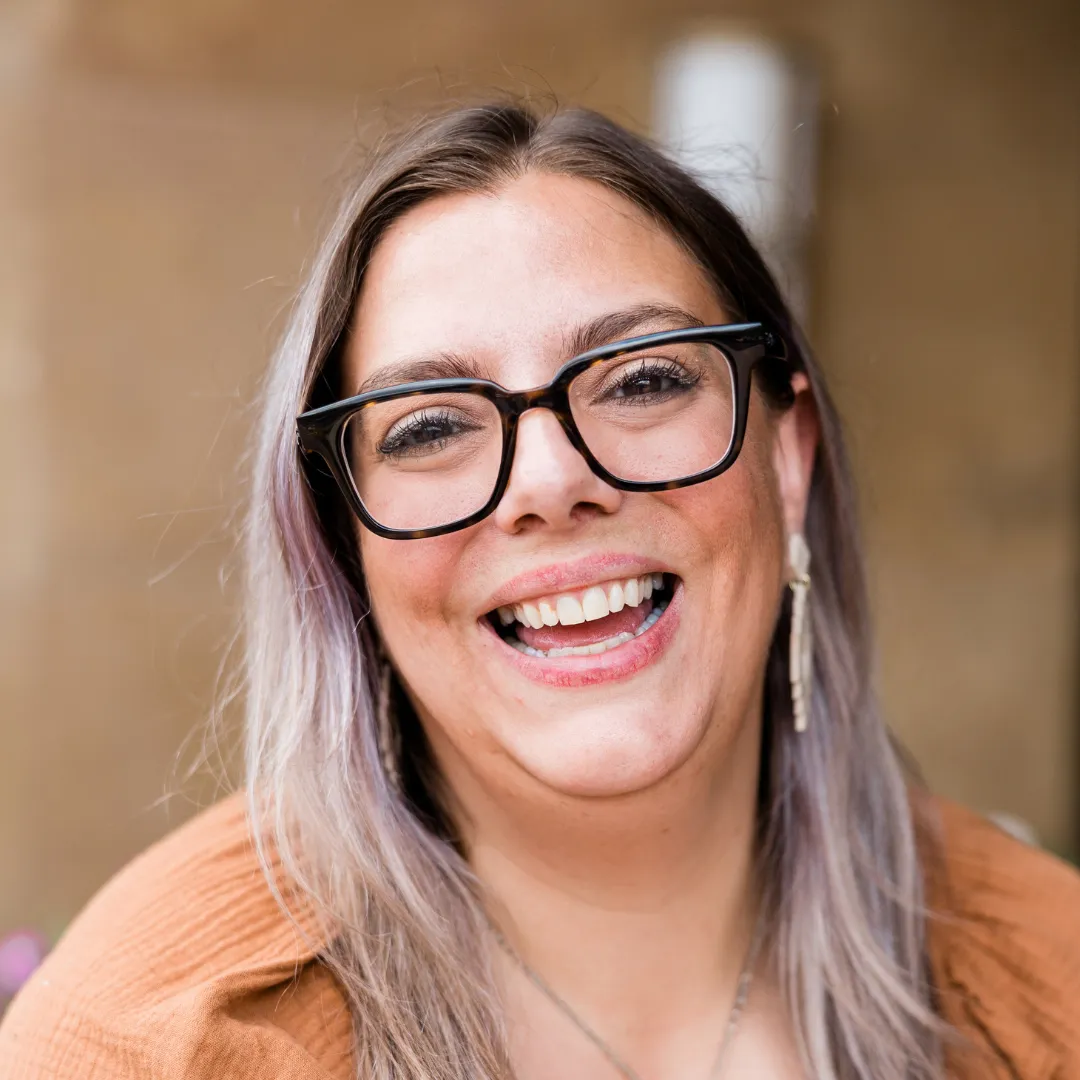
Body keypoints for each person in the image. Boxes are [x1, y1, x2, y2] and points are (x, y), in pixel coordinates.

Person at [1, 102, 1077, 1080]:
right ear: (343, 544)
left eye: (643, 379)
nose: (552, 481)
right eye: (432, 426)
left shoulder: (1049, 985)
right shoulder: (148, 1048)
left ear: (787, 463)